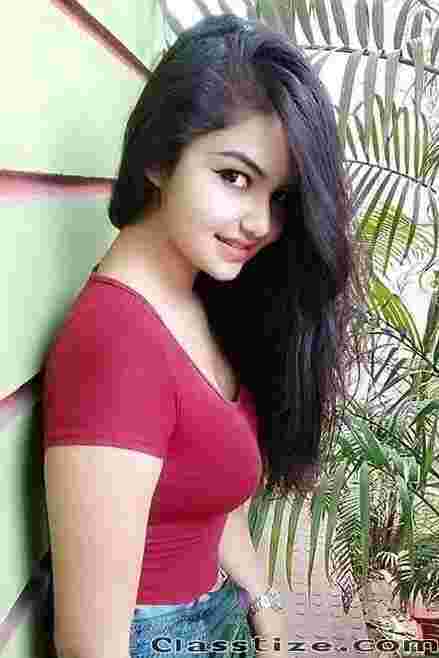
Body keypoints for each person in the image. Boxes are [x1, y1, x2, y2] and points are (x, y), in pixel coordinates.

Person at [41, 12, 368, 658]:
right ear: (160, 158)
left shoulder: (200, 299)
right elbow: (90, 645)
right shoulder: (117, 345)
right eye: (234, 177)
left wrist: (264, 606)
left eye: (279, 197)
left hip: (214, 620)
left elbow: (209, 499)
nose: (259, 223)